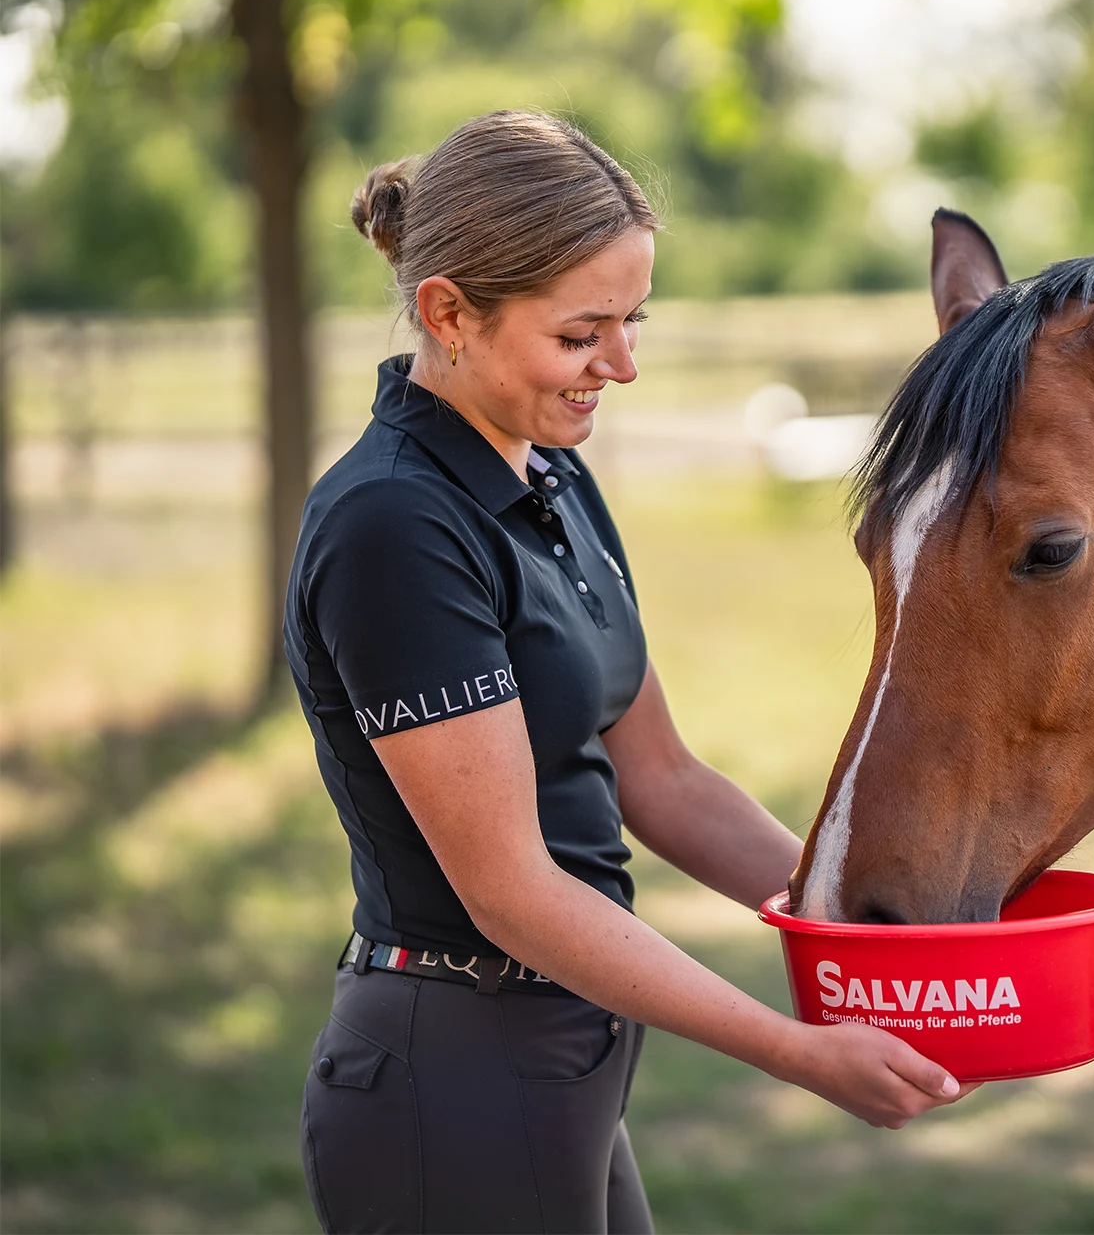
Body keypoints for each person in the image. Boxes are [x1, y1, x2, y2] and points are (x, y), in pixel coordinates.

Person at [284, 109, 964, 1235]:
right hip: (451, 1076)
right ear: (449, 312)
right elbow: (512, 889)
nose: (625, 364)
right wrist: (795, 1048)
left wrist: (862, 928)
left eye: (633, 319)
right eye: (582, 332)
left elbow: (663, 777)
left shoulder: (549, 469)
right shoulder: (393, 524)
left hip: (564, 1051)